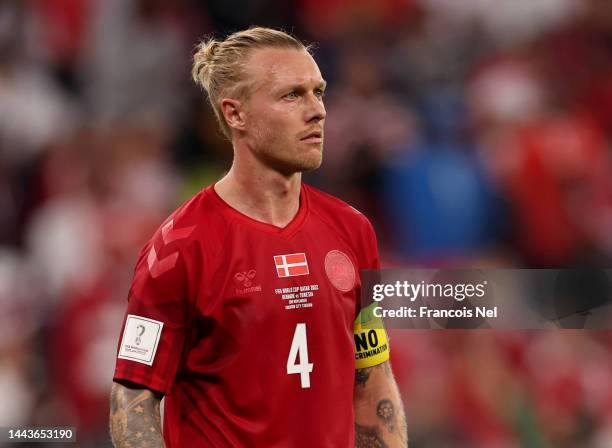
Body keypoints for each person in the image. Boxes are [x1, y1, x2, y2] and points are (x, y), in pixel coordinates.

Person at [109, 26, 407, 447]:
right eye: (292, 96)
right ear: (235, 114)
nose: (317, 110)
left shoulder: (352, 230)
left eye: (318, 92)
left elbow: (372, 378)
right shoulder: (180, 248)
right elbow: (133, 398)